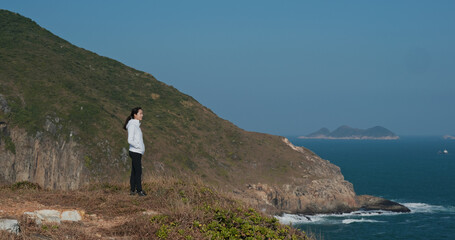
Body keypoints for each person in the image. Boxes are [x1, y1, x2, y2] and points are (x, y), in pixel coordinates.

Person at [123, 107, 147, 196]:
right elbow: (130, 140)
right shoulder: (132, 125)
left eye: (142, 113)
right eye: (140, 113)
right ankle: (139, 190)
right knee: (138, 171)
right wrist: (138, 146)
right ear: (135, 115)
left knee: (134, 171)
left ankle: (133, 190)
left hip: (137, 151)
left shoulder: (136, 125)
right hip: (135, 151)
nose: (142, 115)